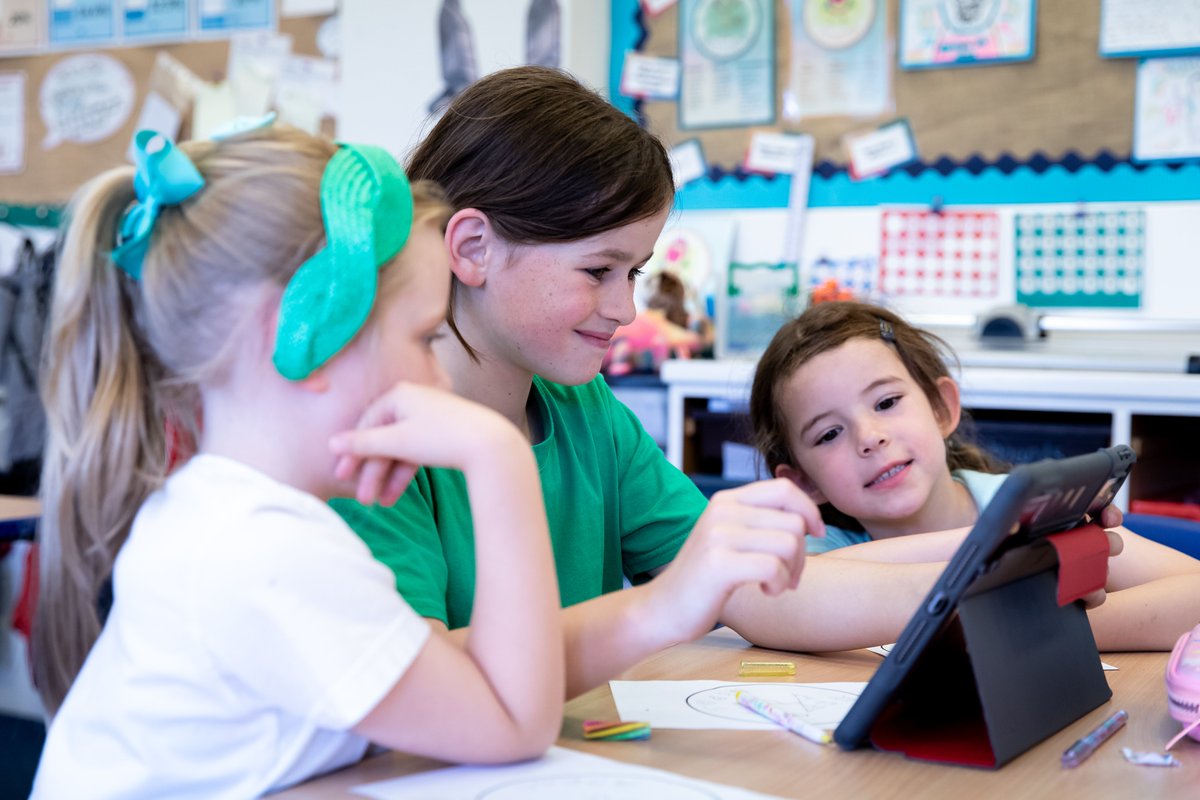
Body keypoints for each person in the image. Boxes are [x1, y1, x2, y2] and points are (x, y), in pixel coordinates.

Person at [31, 123, 566, 798]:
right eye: (426, 337)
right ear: (306, 332)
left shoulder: (226, 515)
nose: (441, 378)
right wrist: (500, 458)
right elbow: (516, 723)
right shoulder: (263, 551)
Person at [333, 66, 820, 697]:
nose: (626, 310)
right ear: (474, 247)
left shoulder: (580, 405)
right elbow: (420, 686)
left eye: (634, 274)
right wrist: (657, 609)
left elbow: (750, 588)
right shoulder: (375, 437)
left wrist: (958, 560)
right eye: (598, 271)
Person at [748, 300, 1200, 651]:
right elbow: (760, 603)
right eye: (828, 434)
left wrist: (1058, 626)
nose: (869, 437)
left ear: (942, 408)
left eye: (886, 403)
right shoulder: (818, 557)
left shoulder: (1037, 508)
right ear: (803, 482)